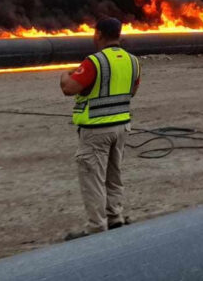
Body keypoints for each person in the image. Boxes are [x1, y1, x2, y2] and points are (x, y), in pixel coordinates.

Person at [59, 17, 140, 240]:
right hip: (122, 127)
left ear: (99, 34)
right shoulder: (133, 61)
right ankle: (115, 218)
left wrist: (64, 74)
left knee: (92, 177)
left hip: (96, 129)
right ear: (119, 34)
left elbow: (69, 88)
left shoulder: (94, 62)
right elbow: (132, 91)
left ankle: (96, 227)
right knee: (114, 175)